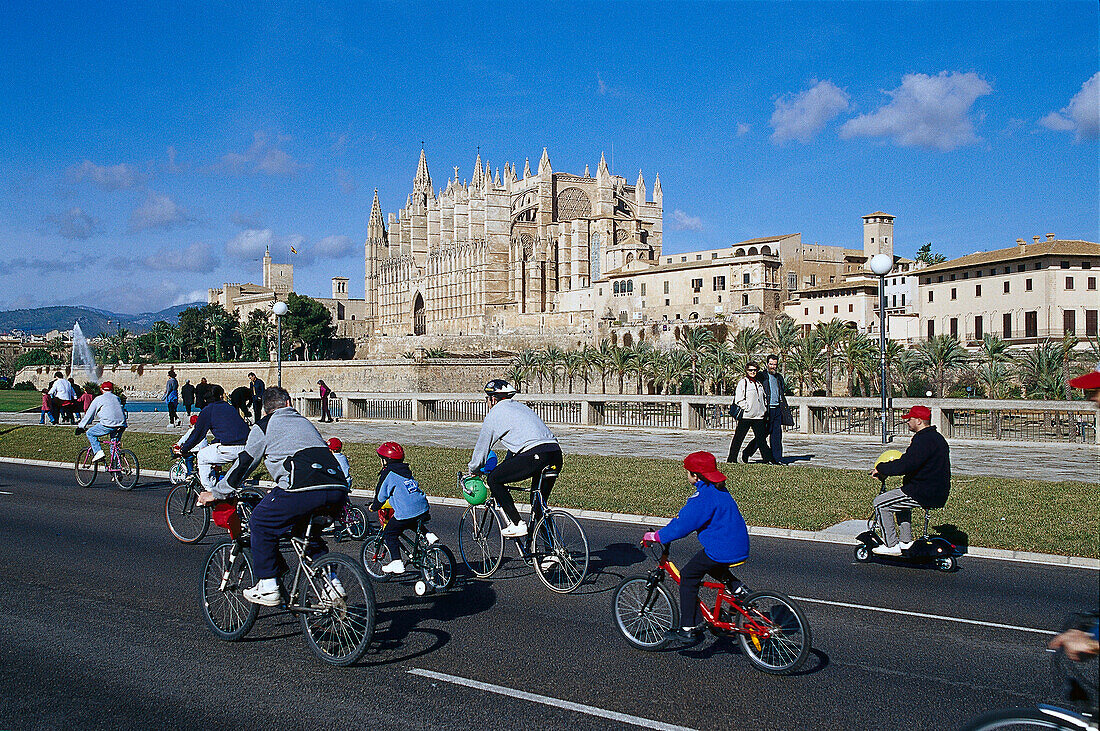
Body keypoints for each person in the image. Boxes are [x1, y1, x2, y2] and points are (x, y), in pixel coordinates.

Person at [199, 386, 350, 607]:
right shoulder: (305, 423)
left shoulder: (264, 426)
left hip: (301, 488)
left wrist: (216, 492)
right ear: (289, 404)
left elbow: (244, 464)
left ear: (266, 409)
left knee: (260, 521)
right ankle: (332, 585)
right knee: (307, 535)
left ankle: (269, 585)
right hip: (337, 487)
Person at [642, 451, 750, 646]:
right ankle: (739, 589)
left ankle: (687, 628)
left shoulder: (702, 498)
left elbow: (681, 527)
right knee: (714, 566)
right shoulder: (720, 490)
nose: (687, 476)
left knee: (688, 577)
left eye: (688, 472)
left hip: (721, 548)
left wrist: (655, 536)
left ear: (696, 476)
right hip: (740, 545)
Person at [468, 379, 562, 539]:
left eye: (487, 399)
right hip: (555, 453)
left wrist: (474, 470)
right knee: (538, 505)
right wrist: (506, 465)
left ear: (492, 399)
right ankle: (552, 553)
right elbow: (516, 448)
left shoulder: (494, 414)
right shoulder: (521, 408)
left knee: (494, 479)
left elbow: (482, 448)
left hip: (535, 455)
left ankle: (517, 523)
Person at [869, 405, 950, 555]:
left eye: (910, 419)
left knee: (880, 503)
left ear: (919, 421)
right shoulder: (937, 438)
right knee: (900, 503)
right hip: (936, 490)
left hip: (923, 491)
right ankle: (905, 542)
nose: (907, 422)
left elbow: (906, 464)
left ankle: (891, 545)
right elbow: (914, 463)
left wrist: (881, 468)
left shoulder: (923, 440)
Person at [369, 442, 434, 575]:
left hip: (406, 512)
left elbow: (381, 495)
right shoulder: (405, 471)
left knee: (390, 533)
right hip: (423, 507)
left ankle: (397, 562)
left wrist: (374, 506)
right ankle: (429, 535)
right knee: (412, 521)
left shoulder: (388, 473)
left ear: (385, 460)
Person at [177, 384, 250, 497]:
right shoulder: (229, 407)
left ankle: (210, 492)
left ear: (205, 399)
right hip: (247, 447)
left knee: (202, 456)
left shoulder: (208, 410)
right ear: (220, 396)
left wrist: (184, 449)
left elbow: (197, 435)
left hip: (230, 448)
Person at [726, 363, 774, 464]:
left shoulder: (758, 383)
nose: (753, 372)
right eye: (750, 370)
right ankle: (731, 459)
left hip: (758, 417)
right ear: (746, 371)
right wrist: (747, 408)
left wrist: (764, 409)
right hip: (746, 416)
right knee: (738, 439)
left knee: (761, 440)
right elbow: (739, 399)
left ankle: (767, 459)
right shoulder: (743, 383)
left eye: (755, 370)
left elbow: (763, 398)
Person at [74, 381, 127, 463]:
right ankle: (117, 471)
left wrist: (81, 426)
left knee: (90, 433)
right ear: (112, 390)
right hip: (121, 424)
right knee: (114, 447)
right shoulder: (117, 398)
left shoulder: (99, 399)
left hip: (108, 424)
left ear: (101, 390)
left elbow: (89, 414)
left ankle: (98, 452)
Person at [755, 354, 791, 464]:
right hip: (766, 410)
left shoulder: (779, 377)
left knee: (777, 435)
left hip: (777, 410)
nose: (773, 366)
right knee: (762, 435)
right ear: (767, 364)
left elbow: (781, 391)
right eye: (771, 364)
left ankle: (777, 459)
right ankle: (748, 452)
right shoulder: (762, 376)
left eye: (775, 364)